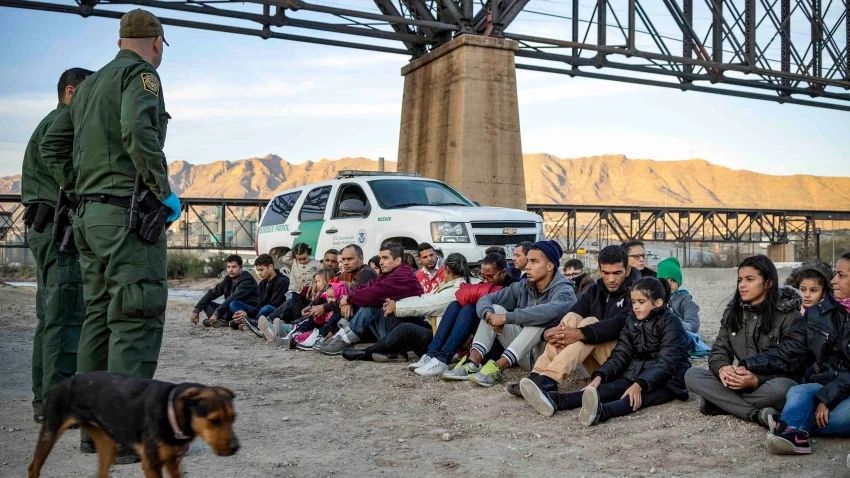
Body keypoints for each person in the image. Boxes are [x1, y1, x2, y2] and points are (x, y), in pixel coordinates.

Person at [40, 9, 179, 461]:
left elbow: (52, 144)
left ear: (120, 41)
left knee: (97, 317)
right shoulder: (141, 76)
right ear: (156, 42)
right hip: (125, 218)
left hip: (89, 218)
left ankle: (93, 430)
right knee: (135, 314)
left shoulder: (87, 87)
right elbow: (138, 130)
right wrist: (159, 189)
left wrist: (79, 187)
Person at [522, 277, 690, 425]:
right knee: (604, 389)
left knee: (633, 397)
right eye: (633, 302)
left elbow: (666, 363)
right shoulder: (631, 320)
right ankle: (555, 400)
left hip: (670, 379)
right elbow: (621, 354)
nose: (636, 307)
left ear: (658, 303)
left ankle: (600, 412)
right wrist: (599, 376)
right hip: (639, 370)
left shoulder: (671, 323)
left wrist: (638, 384)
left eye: (641, 302)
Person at [22, 67, 92, 423]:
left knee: (50, 318)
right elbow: (67, 170)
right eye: (87, 93)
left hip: (47, 229)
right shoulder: (62, 123)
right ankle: (56, 404)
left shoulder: (51, 122)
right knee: (65, 317)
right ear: (71, 92)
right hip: (56, 232)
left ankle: (45, 400)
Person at [740, 252, 850, 455]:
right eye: (835, 274)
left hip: (845, 391)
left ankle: (788, 423)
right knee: (798, 392)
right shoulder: (817, 313)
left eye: (841, 275)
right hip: (820, 384)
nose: (834, 280)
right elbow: (789, 350)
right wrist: (748, 364)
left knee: (842, 416)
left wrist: (827, 399)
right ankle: (792, 436)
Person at [684, 254, 802, 427]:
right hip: (738, 381)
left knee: (785, 388)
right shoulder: (733, 312)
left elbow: (792, 363)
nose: (742, 285)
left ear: (768, 283)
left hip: (769, 382)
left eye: (749, 279)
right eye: (740, 280)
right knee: (692, 375)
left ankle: (720, 403)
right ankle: (756, 414)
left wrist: (756, 380)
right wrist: (723, 369)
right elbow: (719, 350)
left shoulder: (789, 316)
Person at [510, 245, 639, 398]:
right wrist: (552, 331)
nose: (611, 279)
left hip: (621, 363)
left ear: (627, 270)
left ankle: (549, 379)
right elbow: (574, 313)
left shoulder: (637, 292)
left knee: (589, 322)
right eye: (606, 273)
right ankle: (537, 376)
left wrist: (581, 333)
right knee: (572, 318)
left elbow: (620, 323)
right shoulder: (595, 290)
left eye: (617, 273)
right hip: (597, 363)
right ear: (599, 270)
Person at [452, 241, 576, 387]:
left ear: (550, 266)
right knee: (495, 308)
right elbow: (486, 299)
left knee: (539, 319)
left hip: (546, 358)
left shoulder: (565, 291)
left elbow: (550, 311)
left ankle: (498, 368)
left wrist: (506, 318)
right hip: (520, 353)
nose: (528, 266)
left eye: (534, 261)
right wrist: (489, 316)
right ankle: (473, 362)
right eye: (528, 261)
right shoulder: (524, 286)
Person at [342, 253, 471, 363]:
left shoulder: (457, 289)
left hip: (440, 339)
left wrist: (397, 306)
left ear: (446, 269)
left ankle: (366, 353)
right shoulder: (451, 284)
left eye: (385, 258)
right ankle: (395, 352)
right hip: (433, 327)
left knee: (406, 328)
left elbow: (427, 304)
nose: (381, 262)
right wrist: (396, 304)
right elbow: (425, 298)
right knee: (390, 310)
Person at [412, 253, 514, 377]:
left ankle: (443, 358)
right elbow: (462, 297)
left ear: (503, 273)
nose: (485, 280)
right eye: (482, 276)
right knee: (454, 305)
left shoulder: (512, 287)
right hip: (481, 340)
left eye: (490, 276)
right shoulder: (485, 283)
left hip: (499, 345)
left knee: (470, 309)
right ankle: (432, 354)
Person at [320, 242, 423, 355]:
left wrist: (348, 299)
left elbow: (372, 294)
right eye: (380, 258)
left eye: (385, 258)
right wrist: (347, 299)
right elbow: (367, 287)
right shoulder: (388, 274)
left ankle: (345, 337)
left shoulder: (403, 276)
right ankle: (343, 336)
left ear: (398, 260)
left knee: (370, 305)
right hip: (394, 329)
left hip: (407, 335)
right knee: (367, 302)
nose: (381, 262)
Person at [656, 256, 710, 357]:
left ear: (678, 282)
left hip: (681, 332)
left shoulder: (685, 300)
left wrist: (675, 324)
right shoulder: (656, 299)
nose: (669, 284)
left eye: (673, 280)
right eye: (665, 280)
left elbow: (693, 324)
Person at [190, 255, 259, 328]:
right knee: (206, 304)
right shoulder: (228, 279)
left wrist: (216, 313)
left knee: (233, 304)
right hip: (230, 310)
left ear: (241, 268)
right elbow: (212, 293)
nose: (231, 270)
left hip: (246, 309)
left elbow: (233, 297)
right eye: (228, 267)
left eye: (234, 267)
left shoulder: (247, 280)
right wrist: (196, 310)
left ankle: (222, 321)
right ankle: (223, 321)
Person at [231, 254, 288, 333]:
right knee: (234, 304)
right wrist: (246, 313)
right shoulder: (262, 283)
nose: (259, 273)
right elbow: (260, 305)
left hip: (276, 312)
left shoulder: (282, 281)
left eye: (261, 270)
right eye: (258, 270)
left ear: (270, 267)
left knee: (266, 308)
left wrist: (250, 313)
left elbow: (275, 304)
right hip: (261, 311)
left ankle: (251, 322)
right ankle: (246, 320)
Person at [266, 242, 321, 324]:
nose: (302, 261)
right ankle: (293, 323)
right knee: (297, 310)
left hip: (310, 292)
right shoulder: (294, 262)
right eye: (299, 259)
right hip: (297, 291)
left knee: (305, 309)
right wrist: (294, 251)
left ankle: (297, 324)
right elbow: (285, 259)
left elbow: (322, 273)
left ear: (309, 255)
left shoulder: (315, 263)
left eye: (304, 259)